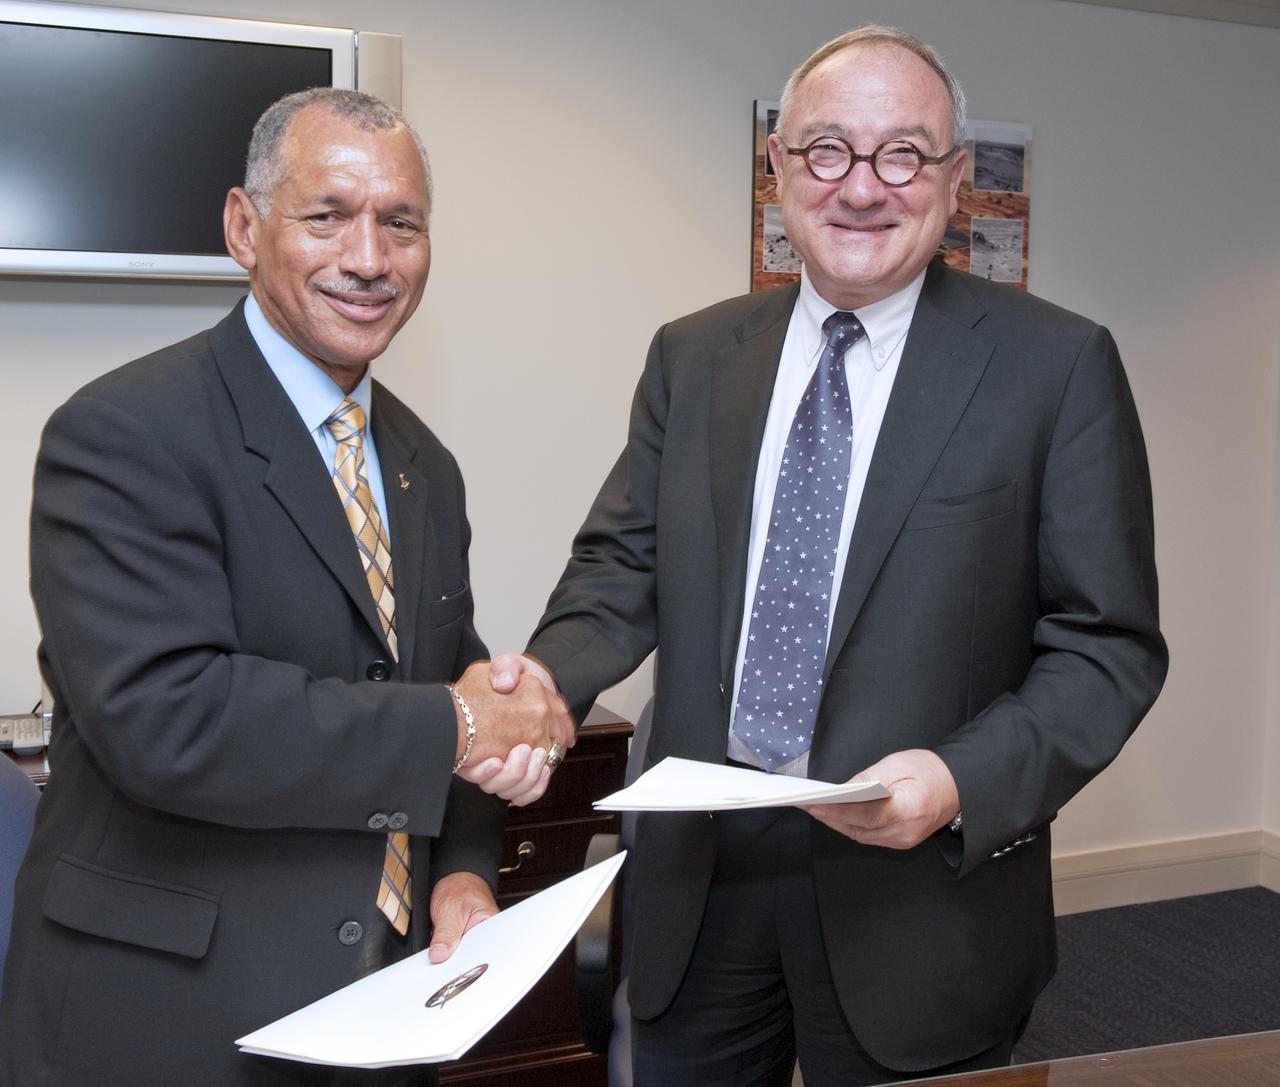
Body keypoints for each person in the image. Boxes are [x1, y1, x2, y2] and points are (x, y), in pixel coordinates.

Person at [495, 25, 1168, 1087]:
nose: (862, 186)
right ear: (779, 168)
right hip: (699, 886)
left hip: (920, 898)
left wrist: (956, 780)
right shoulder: (692, 354)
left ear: (952, 181)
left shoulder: (1056, 366)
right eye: (826, 150)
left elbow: (1106, 647)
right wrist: (542, 682)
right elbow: (619, 564)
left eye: (902, 153)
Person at [0, 88, 572, 1087]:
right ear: (242, 226)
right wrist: (464, 724)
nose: (368, 258)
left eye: (401, 223)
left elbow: (449, 680)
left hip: (385, 1012)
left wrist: (467, 869)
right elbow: (170, 719)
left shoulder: (420, 465)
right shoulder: (122, 434)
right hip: (169, 1025)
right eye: (327, 216)